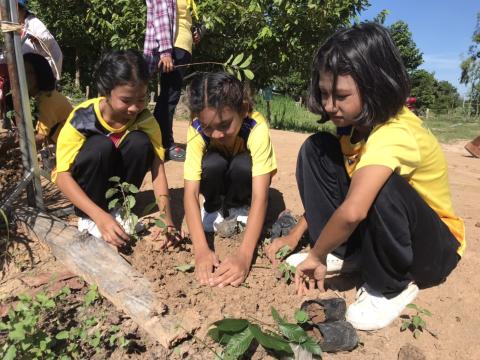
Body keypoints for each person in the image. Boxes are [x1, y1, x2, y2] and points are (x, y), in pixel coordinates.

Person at [270, 23, 465, 331]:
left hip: (431, 249)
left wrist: (316, 254)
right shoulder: (353, 126)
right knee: (316, 150)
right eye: (324, 94)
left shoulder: (395, 133)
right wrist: (297, 234)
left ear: (375, 86)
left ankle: (391, 287)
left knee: (379, 184)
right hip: (392, 234)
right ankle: (346, 253)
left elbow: (354, 209)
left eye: (341, 96)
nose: (330, 106)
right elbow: (343, 194)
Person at [55, 50, 179, 248]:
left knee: (140, 142)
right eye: (126, 100)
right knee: (100, 145)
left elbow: (158, 169)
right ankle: (90, 219)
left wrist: (167, 220)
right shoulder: (82, 119)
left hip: (118, 193)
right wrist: (99, 216)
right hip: (89, 197)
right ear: (106, 91)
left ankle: (119, 210)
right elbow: (62, 176)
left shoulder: (145, 120)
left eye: (141, 99)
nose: (134, 108)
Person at [184, 72, 277, 288]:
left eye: (225, 125)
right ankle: (214, 207)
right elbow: (190, 193)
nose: (216, 134)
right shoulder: (196, 129)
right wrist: (201, 250)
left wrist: (244, 256)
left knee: (243, 165)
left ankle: (239, 207)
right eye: (209, 127)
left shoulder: (256, 127)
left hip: (243, 178)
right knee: (212, 163)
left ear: (243, 110)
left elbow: (261, 195)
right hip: (216, 175)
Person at [143, 0, 201, 162]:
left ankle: (158, 140)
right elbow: (161, 18)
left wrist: (197, 32)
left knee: (169, 96)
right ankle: (164, 144)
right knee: (169, 97)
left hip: (182, 48)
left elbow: (183, 19)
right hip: (172, 49)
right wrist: (166, 52)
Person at [23, 53, 72, 146]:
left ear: (40, 74)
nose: (24, 77)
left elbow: (41, 137)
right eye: (22, 71)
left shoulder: (46, 100)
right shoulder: (46, 95)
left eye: (29, 72)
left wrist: (15, 143)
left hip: (70, 148)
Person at [17, 0, 63, 80]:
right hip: (28, 74)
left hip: (43, 74)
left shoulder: (34, 23)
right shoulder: (19, 27)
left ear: (23, 9)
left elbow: (47, 38)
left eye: (16, 10)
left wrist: (37, 38)